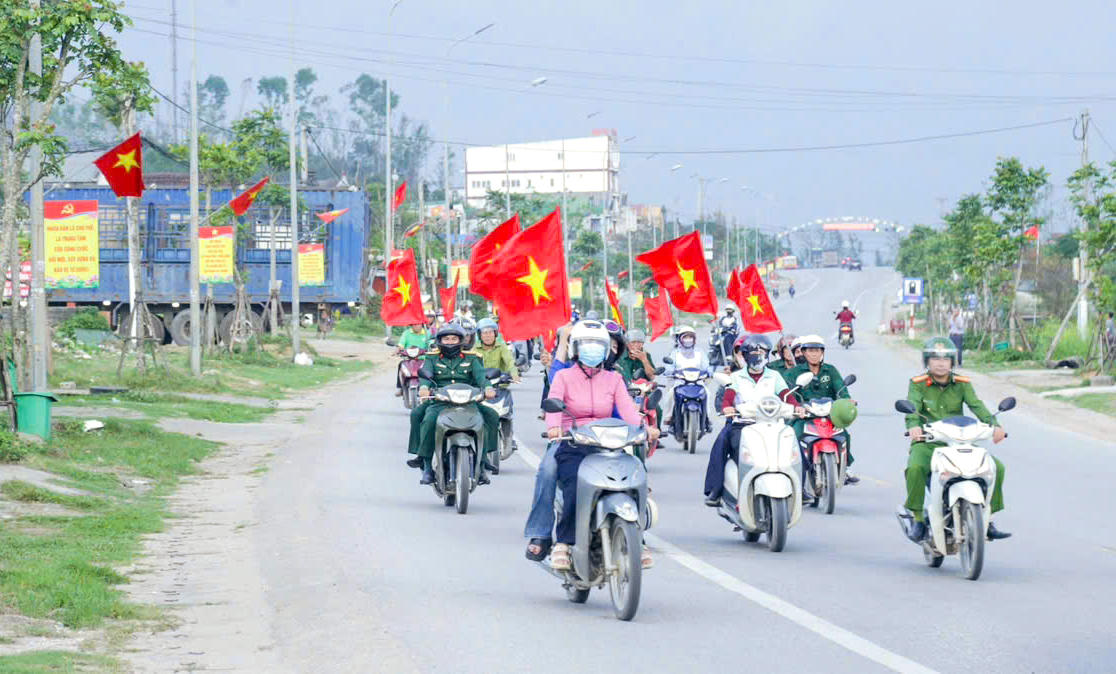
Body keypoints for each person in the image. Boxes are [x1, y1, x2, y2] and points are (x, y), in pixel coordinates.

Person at [543, 320, 658, 571]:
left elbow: (627, 410)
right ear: (576, 348)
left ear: (606, 349)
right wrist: (554, 428)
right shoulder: (563, 376)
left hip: (609, 443)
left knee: (635, 477)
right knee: (574, 483)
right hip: (575, 441)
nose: (592, 350)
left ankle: (639, 538)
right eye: (587, 345)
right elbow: (553, 404)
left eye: (598, 345)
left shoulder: (614, 379)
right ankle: (563, 542)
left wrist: (644, 427)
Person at [903, 337, 1010, 542]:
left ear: (953, 361)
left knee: (996, 467)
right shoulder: (917, 384)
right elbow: (913, 408)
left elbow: (976, 405)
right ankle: (917, 519)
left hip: (959, 442)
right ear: (927, 361)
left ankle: (988, 519)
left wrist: (995, 425)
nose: (941, 363)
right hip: (928, 442)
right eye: (935, 358)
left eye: (946, 359)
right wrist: (914, 427)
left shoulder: (962, 384)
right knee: (915, 468)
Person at [703, 335, 803, 506]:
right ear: (746, 355)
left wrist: (797, 407)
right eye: (754, 353)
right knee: (722, 443)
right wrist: (728, 407)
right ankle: (716, 489)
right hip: (743, 425)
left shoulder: (775, 376)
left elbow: (786, 395)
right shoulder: (736, 377)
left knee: (796, 446)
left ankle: (802, 489)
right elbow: (728, 397)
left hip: (772, 424)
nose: (759, 356)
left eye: (762, 352)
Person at [405, 323, 500, 485]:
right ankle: (426, 464)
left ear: (461, 340)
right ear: (440, 340)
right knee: (425, 418)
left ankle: (483, 462)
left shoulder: (472, 358)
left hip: (469, 401)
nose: (450, 342)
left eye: (453, 338)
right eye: (446, 339)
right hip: (441, 401)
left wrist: (489, 388)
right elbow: (424, 376)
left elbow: (481, 377)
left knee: (491, 415)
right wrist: (424, 388)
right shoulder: (432, 357)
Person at [783, 335, 859, 484]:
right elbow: (787, 393)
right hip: (804, 417)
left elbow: (840, 388)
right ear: (803, 353)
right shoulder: (793, 373)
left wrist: (846, 399)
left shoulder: (830, 371)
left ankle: (846, 467)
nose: (814, 354)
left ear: (822, 352)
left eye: (817, 351)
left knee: (844, 434)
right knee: (794, 435)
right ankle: (793, 470)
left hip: (828, 415)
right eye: (810, 351)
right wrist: (796, 407)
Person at [662, 325, 712, 432]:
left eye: (690, 337)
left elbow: (706, 365)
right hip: (680, 381)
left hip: (697, 382)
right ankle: (669, 418)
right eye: (685, 337)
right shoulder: (675, 353)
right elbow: (669, 366)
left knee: (707, 393)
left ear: (694, 339)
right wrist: (669, 371)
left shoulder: (700, 352)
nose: (688, 340)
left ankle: (707, 419)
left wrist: (709, 371)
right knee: (671, 394)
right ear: (680, 339)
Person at [615, 328, 662, 429]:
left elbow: (652, 376)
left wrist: (644, 360)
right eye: (633, 342)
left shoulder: (646, 355)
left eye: (639, 342)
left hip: (643, 390)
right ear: (627, 343)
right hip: (625, 390)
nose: (636, 345)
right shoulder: (620, 356)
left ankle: (655, 435)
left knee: (657, 409)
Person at [475, 318, 519, 382]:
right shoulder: (474, 349)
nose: (488, 336)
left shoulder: (501, 347)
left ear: (495, 334)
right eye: (485, 333)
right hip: (479, 383)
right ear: (480, 335)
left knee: (505, 392)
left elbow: (510, 361)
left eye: (490, 332)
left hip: (499, 383)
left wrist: (514, 374)